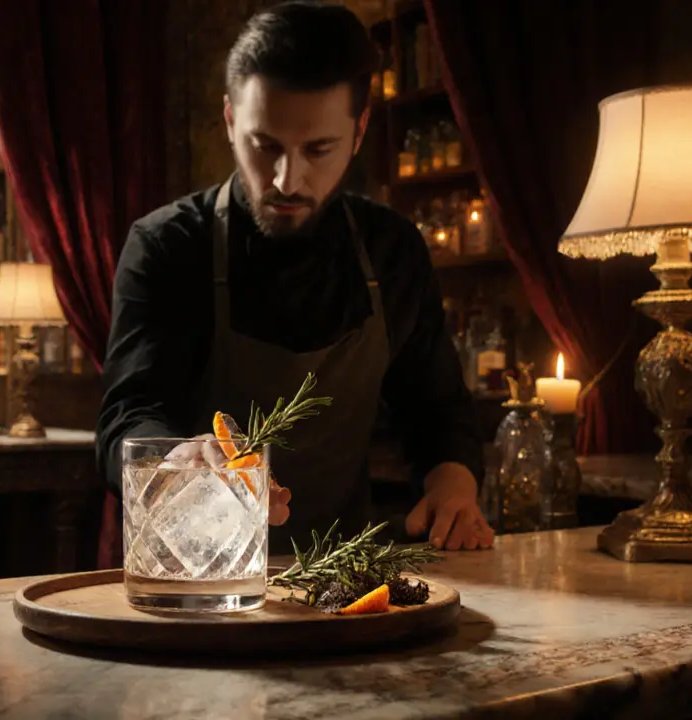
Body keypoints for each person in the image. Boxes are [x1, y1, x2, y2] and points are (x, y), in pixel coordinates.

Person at [96, 0, 493, 553]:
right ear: (231, 121)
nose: (288, 179)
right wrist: (171, 459)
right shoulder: (167, 246)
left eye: (318, 149)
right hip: (192, 581)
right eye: (266, 146)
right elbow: (129, 413)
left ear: (358, 132)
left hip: (341, 581)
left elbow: (437, 408)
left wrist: (453, 479)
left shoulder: (392, 250)